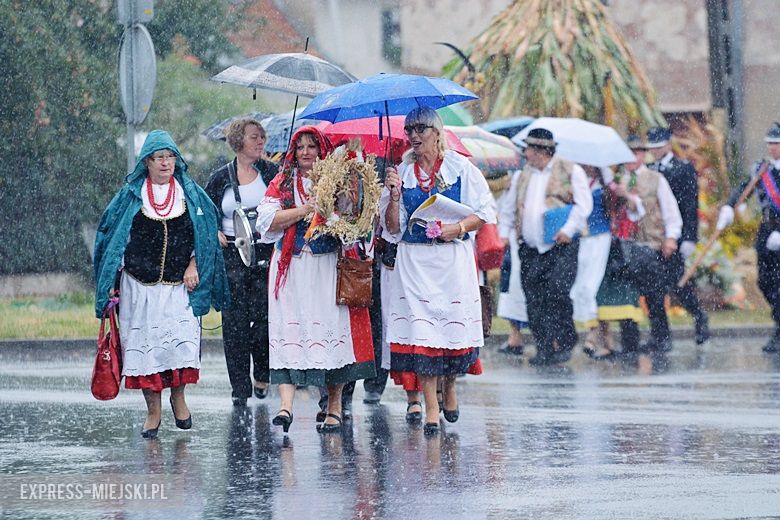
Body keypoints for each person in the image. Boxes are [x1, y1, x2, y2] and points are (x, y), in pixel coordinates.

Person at [94, 130, 230, 439]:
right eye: (159, 158)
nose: (165, 163)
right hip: (138, 287)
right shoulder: (130, 196)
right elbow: (112, 240)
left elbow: (205, 236)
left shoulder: (190, 194)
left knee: (178, 344)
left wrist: (194, 265)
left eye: (170, 157)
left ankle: (178, 398)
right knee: (146, 351)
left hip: (178, 287)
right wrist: (111, 285)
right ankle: (153, 411)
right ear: (147, 162)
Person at [381, 106, 495, 435]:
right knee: (422, 335)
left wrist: (457, 228)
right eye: (409, 130)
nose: (414, 136)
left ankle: (451, 385)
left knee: (451, 331)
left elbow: (484, 212)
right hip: (414, 262)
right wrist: (392, 196)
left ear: (436, 132)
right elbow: (392, 228)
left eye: (421, 129)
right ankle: (431, 406)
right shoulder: (400, 173)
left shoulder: (461, 168)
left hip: (452, 261)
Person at [256, 126, 375, 434]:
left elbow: (353, 220)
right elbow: (267, 222)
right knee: (288, 332)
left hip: (325, 266)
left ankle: (334, 406)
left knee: (330, 331)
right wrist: (305, 210)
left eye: (311, 146)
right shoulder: (282, 182)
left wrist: (340, 206)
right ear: (293, 153)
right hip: (291, 268)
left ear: (321, 152)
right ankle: (285, 407)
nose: (305, 152)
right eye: (300, 147)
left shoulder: (336, 180)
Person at [503, 128, 592, 366]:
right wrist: (503, 235)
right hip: (531, 248)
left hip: (561, 246)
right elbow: (510, 209)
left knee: (557, 292)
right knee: (534, 297)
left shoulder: (572, 171)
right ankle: (543, 347)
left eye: (529, 149)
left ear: (542, 150)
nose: (525, 153)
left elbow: (583, 206)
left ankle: (564, 341)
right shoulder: (522, 175)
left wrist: (568, 229)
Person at [205, 118, 278, 407]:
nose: (260, 142)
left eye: (262, 137)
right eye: (253, 137)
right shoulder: (220, 177)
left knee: (264, 320)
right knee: (234, 324)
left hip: (264, 252)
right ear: (238, 142)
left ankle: (262, 373)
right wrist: (215, 231)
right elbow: (206, 210)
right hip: (233, 255)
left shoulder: (272, 173)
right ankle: (239, 388)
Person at [596, 135, 682, 366]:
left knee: (654, 294)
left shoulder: (656, 179)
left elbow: (670, 210)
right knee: (628, 294)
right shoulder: (616, 180)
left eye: (636, 153)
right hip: (623, 246)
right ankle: (629, 341)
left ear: (643, 155)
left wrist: (671, 237)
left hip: (650, 243)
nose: (632, 159)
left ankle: (661, 337)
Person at [716, 122, 780, 353]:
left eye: (776, 144)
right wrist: (729, 207)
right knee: (765, 281)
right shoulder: (761, 169)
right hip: (767, 228)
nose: (773, 148)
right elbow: (744, 188)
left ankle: (779, 330)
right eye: (770, 144)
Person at [647, 127, 710, 345]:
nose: (655, 151)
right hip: (654, 235)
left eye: (658, 146)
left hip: (676, 234)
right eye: (651, 147)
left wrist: (689, 237)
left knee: (677, 284)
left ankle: (699, 316)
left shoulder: (682, 168)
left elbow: (690, 205)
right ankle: (660, 335)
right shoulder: (649, 170)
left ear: (667, 144)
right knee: (653, 287)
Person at [571, 165, 612, 355]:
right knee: (578, 287)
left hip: (600, 236)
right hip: (581, 238)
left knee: (590, 285)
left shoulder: (606, 185)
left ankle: (593, 334)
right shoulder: (575, 182)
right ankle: (591, 329)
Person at [496, 169, 529, 355]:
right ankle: (514, 335)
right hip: (515, 241)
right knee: (510, 286)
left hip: (539, 242)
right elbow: (506, 211)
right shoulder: (517, 178)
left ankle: (548, 340)